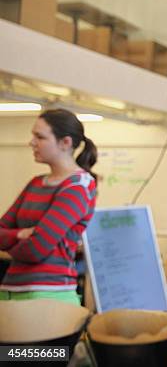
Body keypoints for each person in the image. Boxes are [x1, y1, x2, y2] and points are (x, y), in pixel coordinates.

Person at [0, 108, 97, 306]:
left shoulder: (78, 186)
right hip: (10, 291)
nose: (32, 143)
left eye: (40, 137)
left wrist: (11, 239)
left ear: (65, 143)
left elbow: (36, 249)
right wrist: (20, 235)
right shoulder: (35, 183)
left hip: (48, 296)